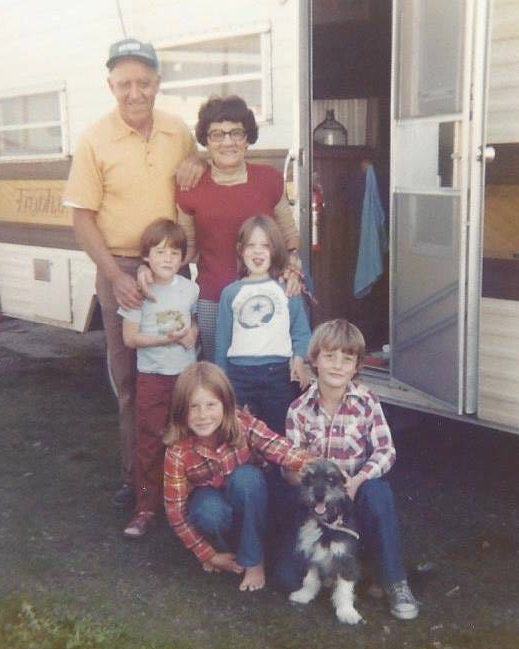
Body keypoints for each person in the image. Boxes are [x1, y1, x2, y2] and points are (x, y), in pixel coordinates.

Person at [63, 38, 204, 509]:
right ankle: (135, 478)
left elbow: (200, 163)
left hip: (171, 264)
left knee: (181, 372)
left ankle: (186, 470)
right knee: (131, 381)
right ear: (110, 85)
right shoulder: (93, 139)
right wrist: (116, 275)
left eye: (144, 82)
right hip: (119, 264)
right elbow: (82, 216)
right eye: (124, 83)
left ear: (158, 83)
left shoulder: (177, 130)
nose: (134, 92)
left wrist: (197, 159)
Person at [273, 319, 420, 620]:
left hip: (354, 495)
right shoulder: (298, 410)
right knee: (286, 579)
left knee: (378, 491)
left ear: (356, 366)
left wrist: (359, 479)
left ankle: (396, 581)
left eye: (347, 358)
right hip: (314, 503)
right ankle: (328, 567)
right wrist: (295, 473)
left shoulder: (367, 402)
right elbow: (290, 466)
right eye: (329, 356)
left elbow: (385, 450)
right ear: (314, 360)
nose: (337, 365)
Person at [171, 95, 302, 362]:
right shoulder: (189, 188)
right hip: (213, 299)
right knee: (219, 372)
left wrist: (293, 267)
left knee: (265, 367)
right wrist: (150, 269)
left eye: (236, 133)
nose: (227, 142)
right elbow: (186, 251)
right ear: (205, 140)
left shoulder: (269, 180)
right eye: (217, 134)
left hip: (266, 294)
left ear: (247, 138)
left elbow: (289, 238)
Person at [163, 361, 310, 592]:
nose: (203, 415)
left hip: (248, 503)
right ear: (181, 410)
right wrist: (209, 555)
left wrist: (318, 463)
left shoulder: (242, 424)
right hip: (213, 511)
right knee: (207, 510)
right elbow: (176, 514)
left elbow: (279, 447)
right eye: (194, 407)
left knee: (248, 478)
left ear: (226, 405)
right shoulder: (177, 451)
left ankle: (253, 560)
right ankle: (224, 553)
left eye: (211, 405)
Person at [118, 219, 199, 538]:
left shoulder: (190, 289)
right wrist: (166, 339)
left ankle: (185, 503)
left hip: (184, 377)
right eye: (160, 251)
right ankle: (146, 508)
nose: (167, 258)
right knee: (151, 441)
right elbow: (129, 338)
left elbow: (192, 322)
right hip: (152, 377)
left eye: (174, 252)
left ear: (183, 258)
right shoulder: (140, 291)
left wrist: (191, 334)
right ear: (146, 257)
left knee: (188, 438)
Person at [214, 216, 311, 435]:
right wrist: (221, 381)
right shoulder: (230, 293)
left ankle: (276, 471)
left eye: (265, 246)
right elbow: (222, 341)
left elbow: (300, 330)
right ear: (240, 250)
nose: (258, 252)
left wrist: (299, 359)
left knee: (278, 434)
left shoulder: (287, 288)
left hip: (278, 374)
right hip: (239, 375)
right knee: (241, 435)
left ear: (275, 250)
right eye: (251, 245)